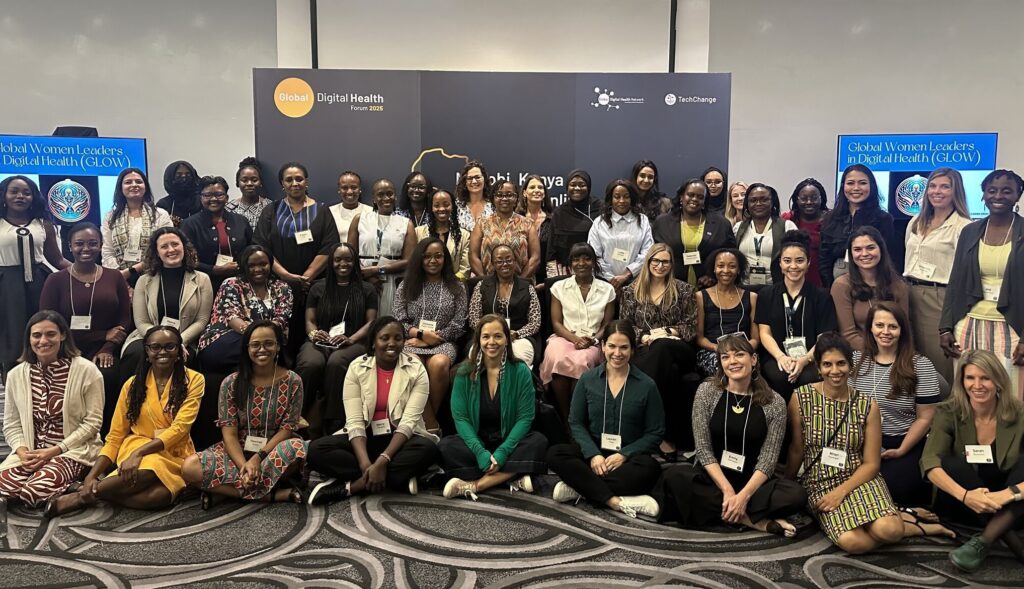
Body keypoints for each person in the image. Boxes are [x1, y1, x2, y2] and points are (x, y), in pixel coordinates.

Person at [785, 332, 953, 553]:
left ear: (851, 365)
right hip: (818, 481)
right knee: (854, 543)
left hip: (859, 477)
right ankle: (906, 518)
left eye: (841, 363)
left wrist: (841, 492)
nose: (835, 371)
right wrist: (787, 487)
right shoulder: (801, 398)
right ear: (818, 367)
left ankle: (907, 524)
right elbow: (796, 449)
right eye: (827, 364)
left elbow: (872, 464)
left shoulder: (867, 405)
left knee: (889, 531)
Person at [655, 334, 805, 536]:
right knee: (674, 477)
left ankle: (725, 510)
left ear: (753, 359)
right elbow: (703, 450)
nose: (732, 361)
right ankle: (750, 520)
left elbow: (768, 460)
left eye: (739, 355)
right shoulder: (707, 391)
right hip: (713, 478)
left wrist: (743, 496)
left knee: (796, 495)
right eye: (725, 357)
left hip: (751, 482)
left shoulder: (774, 402)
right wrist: (727, 490)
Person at [45, 326, 205, 515]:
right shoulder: (132, 385)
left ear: (179, 351)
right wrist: (92, 475)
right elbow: (115, 436)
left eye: (170, 346)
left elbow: (180, 428)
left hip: (175, 450)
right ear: (147, 352)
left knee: (159, 497)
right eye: (155, 347)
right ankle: (84, 493)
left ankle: (84, 494)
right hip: (136, 446)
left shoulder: (194, 380)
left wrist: (139, 453)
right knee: (151, 468)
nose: (162, 352)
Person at [305, 317, 440, 504]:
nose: (391, 343)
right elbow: (354, 422)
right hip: (365, 438)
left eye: (398, 338)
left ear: (404, 342)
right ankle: (396, 478)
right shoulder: (357, 367)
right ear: (373, 342)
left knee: (429, 449)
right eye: (384, 338)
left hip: (400, 439)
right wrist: (366, 463)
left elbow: (408, 423)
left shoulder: (416, 369)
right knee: (316, 450)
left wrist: (383, 460)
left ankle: (354, 486)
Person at [546, 320, 664, 518]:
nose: (617, 353)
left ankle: (580, 488)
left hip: (626, 460)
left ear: (632, 350)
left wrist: (624, 454)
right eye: (612, 346)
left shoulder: (647, 385)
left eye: (624, 347)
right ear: (602, 346)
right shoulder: (588, 379)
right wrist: (593, 454)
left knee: (650, 468)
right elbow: (576, 422)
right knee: (555, 454)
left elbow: (655, 432)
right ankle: (615, 501)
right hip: (592, 455)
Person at [920, 350, 1024, 572]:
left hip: (1008, 501)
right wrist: (966, 496)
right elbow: (929, 461)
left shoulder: (1019, 413)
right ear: (962, 381)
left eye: (985, 378)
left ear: (998, 380)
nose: (977, 385)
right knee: (950, 463)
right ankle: (1015, 542)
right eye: (970, 378)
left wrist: (1008, 494)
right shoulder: (948, 412)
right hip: (963, 505)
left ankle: (984, 540)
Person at [182, 321, 307, 506]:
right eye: (255, 345)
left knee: (296, 450)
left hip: (272, 450)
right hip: (237, 452)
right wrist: (244, 466)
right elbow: (229, 434)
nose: (262, 349)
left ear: (278, 346)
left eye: (268, 343)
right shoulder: (231, 383)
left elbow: (287, 429)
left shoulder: (293, 381)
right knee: (189, 468)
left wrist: (257, 458)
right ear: (247, 348)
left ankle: (227, 492)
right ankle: (272, 495)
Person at [0, 312, 103, 516]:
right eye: (36, 335)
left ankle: (76, 481)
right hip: (32, 452)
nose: (43, 341)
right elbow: (11, 423)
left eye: (50, 334)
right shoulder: (15, 375)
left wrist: (55, 451)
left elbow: (93, 423)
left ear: (63, 335)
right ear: (29, 339)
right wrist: (22, 451)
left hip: (72, 450)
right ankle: (65, 484)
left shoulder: (87, 371)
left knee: (32, 493)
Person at [440, 315, 548, 500]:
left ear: (507, 339)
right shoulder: (464, 372)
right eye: (486, 336)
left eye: (498, 336)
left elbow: (525, 417)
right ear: (478, 340)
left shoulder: (520, 371)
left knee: (538, 441)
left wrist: (503, 451)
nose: (492, 342)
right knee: (446, 446)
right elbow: (461, 418)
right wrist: (479, 451)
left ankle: (475, 485)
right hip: (478, 440)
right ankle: (512, 476)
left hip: (509, 440)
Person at [940, 169, 1024, 399]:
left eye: (1006, 191)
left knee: (1011, 395)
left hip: (1012, 326)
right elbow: (955, 281)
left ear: (1018, 195)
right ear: (984, 194)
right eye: (992, 190)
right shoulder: (970, 231)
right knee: (970, 393)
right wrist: (945, 327)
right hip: (968, 322)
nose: (998, 196)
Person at [39, 222, 131, 433]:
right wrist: (102, 334)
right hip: (66, 349)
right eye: (79, 243)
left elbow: (124, 318)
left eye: (92, 243)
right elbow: (47, 323)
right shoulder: (55, 280)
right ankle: (71, 435)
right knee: (70, 381)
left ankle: (107, 435)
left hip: (105, 350)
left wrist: (107, 347)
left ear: (100, 246)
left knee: (106, 377)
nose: (86, 249)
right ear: (70, 247)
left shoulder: (114, 276)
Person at [850, 303, 940, 506]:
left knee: (894, 489)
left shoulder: (921, 365)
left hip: (901, 441)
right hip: (860, 441)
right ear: (870, 328)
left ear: (902, 330)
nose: (885, 332)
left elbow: (926, 418)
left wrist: (902, 450)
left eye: (893, 326)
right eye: (879, 325)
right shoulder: (855, 360)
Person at [619, 244, 698, 457]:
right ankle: (663, 436)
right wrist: (645, 336)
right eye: (656, 260)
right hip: (645, 348)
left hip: (680, 348)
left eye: (665, 261)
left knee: (662, 345)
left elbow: (690, 328)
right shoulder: (630, 291)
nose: (660, 265)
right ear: (648, 262)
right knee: (669, 371)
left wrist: (667, 331)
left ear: (672, 264)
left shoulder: (684, 290)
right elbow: (626, 325)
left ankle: (635, 415)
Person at [254, 162, 339, 356]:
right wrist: (286, 276)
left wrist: (306, 278)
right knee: (281, 334)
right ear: (282, 184)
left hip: (314, 285)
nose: (295, 183)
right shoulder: (271, 210)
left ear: (306, 182)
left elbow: (329, 246)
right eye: (289, 180)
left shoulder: (322, 210)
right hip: (278, 284)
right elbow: (262, 247)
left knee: (313, 335)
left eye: (299, 179)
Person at [296, 242, 378, 434]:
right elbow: (309, 321)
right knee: (310, 363)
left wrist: (351, 339)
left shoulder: (367, 289)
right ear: (331, 262)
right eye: (338, 259)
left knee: (337, 362)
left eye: (348, 259)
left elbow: (371, 322)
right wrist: (314, 334)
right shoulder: (318, 287)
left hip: (354, 341)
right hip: (320, 340)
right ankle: (297, 415)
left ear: (355, 262)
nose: (343, 264)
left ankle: (334, 420)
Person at [903, 168, 972, 384]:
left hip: (938, 296)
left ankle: (945, 403)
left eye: (945, 186)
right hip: (908, 292)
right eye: (932, 186)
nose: (937, 191)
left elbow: (965, 272)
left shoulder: (963, 226)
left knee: (937, 360)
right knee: (908, 356)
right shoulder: (916, 221)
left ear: (956, 191)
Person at [120, 228, 213, 382]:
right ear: (157, 252)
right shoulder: (144, 281)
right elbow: (141, 321)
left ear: (184, 247)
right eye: (164, 246)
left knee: (183, 358)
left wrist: (178, 340)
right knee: (136, 354)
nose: (171, 250)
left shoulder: (202, 279)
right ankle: (134, 397)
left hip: (185, 338)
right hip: (147, 337)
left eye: (175, 244)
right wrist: (159, 341)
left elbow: (201, 320)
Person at [393, 238, 468, 431]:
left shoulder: (457, 286)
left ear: (445, 259)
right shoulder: (406, 285)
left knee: (439, 364)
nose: (432, 261)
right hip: (412, 340)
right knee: (413, 364)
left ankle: (426, 421)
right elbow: (399, 321)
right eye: (427, 256)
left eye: (438, 256)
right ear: (419, 259)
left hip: (445, 341)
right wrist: (420, 335)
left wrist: (431, 340)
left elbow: (459, 324)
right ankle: (431, 425)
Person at [755, 230, 837, 401]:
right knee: (779, 376)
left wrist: (804, 360)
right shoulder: (766, 295)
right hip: (776, 355)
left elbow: (824, 337)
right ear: (780, 263)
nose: (793, 266)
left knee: (808, 377)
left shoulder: (822, 296)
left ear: (808, 263)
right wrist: (781, 357)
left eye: (800, 261)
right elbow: (764, 333)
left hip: (811, 356)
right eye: (787, 261)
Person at [0, 176, 71, 371]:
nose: (20, 196)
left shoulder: (43, 224)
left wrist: (87, 272)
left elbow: (57, 260)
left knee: (43, 330)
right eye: (14, 191)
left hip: (40, 283)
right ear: (4, 195)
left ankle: (47, 377)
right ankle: (12, 381)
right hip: (6, 286)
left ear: (33, 197)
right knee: (11, 337)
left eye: (26, 192)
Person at [540, 243, 616, 423]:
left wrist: (592, 340)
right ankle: (566, 420)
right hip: (564, 337)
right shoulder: (559, 287)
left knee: (582, 362)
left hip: (594, 340)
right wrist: (575, 339)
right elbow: (556, 323)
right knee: (558, 359)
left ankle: (577, 419)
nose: (581, 263)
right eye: (576, 259)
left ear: (594, 262)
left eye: (586, 259)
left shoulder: (607, 289)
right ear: (570, 264)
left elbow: (607, 324)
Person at [197, 245, 292, 373]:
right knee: (260, 350)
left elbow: (281, 319)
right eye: (251, 265)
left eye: (263, 264)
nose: (257, 269)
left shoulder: (282, 288)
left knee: (262, 352)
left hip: (269, 339)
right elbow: (233, 319)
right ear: (244, 266)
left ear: (270, 264)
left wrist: (263, 340)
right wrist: (259, 339)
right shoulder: (231, 284)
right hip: (227, 337)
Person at [831, 226, 910, 350]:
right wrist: (880, 353)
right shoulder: (841, 285)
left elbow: (905, 329)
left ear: (881, 249)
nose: (864, 254)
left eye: (870, 248)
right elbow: (848, 335)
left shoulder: (899, 285)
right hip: (858, 352)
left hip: (895, 351)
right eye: (857, 249)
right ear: (851, 254)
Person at [349, 178, 416, 317]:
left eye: (390, 194)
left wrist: (376, 270)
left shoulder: (406, 223)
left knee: (388, 320)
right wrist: (367, 277)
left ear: (395, 196)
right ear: (373, 198)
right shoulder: (359, 219)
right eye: (380, 194)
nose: (386, 198)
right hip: (362, 279)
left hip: (392, 280)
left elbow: (409, 260)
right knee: (363, 320)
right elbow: (350, 254)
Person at [819, 164, 895, 287]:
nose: (856, 188)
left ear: (871, 186)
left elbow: (890, 257)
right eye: (850, 183)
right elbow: (824, 259)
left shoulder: (883, 219)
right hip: (838, 281)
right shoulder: (830, 218)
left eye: (862, 183)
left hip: (874, 281)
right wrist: (829, 288)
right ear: (843, 186)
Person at [652, 178, 736, 288]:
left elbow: (731, 253)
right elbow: (654, 253)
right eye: (690, 195)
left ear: (705, 201)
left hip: (710, 286)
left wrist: (712, 275)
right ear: (681, 197)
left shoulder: (721, 224)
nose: (695, 199)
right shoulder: (663, 222)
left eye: (700, 197)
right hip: (670, 284)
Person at [468, 244, 542, 366]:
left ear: (515, 262)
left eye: (509, 260)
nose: (505, 264)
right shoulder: (481, 286)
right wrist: (490, 332)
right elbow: (473, 318)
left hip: (518, 338)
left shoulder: (527, 287)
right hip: (488, 336)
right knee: (479, 359)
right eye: (499, 261)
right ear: (493, 264)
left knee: (516, 360)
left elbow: (535, 322)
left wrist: (517, 334)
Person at [100, 168, 173, 285]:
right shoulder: (110, 217)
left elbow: (165, 249)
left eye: (139, 182)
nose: (134, 185)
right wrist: (120, 277)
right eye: (128, 182)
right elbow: (107, 252)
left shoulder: (160, 215)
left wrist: (132, 271)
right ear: (120, 188)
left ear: (145, 187)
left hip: (154, 276)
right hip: (120, 279)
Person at [180, 175, 253, 293]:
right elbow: (185, 258)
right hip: (204, 284)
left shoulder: (241, 221)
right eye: (207, 195)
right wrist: (214, 269)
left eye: (219, 194)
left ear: (227, 198)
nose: (213, 199)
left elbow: (252, 250)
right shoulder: (189, 224)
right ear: (201, 198)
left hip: (241, 282)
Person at [695, 248, 759, 377]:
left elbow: (755, 339)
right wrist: (718, 349)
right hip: (713, 351)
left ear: (739, 269)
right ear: (714, 269)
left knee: (747, 365)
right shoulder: (700, 296)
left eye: (732, 266)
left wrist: (740, 351)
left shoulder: (752, 297)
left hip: (743, 350)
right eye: (720, 266)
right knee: (725, 366)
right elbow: (700, 338)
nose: (726, 270)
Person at [587, 179, 653, 292]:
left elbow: (648, 252)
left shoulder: (642, 220)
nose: (621, 201)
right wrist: (612, 280)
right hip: (604, 284)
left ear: (632, 198)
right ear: (611, 199)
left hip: (636, 283)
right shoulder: (599, 222)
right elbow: (594, 255)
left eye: (626, 196)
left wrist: (627, 275)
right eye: (617, 197)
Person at [469, 179, 540, 279]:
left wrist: (520, 283)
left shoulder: (528, 224)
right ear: (493, 198)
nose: (504, 198)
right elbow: (473, 256)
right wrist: (486, 281)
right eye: (499, 195)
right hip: (487, 283)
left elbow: (535, 258)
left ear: (516, 198)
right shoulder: (482, 223)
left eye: (509, 195)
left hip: (522, 283)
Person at [733, 183, 797, 291]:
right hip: (744, 288)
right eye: (753, 200)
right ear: (747, 204)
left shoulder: (787, 226)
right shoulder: (738, 228)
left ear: (772, 202)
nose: (758, 204)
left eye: (764, 200)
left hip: (776, 289)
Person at [545, 170, 597, 280]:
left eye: (582, 185)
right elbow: (551, 249)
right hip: (565, 273)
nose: (577, 188)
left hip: (595, 272)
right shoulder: (559, 213)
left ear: (588, 187)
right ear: (567, 188)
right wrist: (555, 278)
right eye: (573, 185)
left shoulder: (599, 208)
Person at [782, 178, 829, 288]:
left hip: (823, 278)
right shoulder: (787, 219)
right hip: (792, 276)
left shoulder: (831, 220)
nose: (809, 202)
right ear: (796, 200)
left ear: (821, 199)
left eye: (814, 198)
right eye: (803, 198)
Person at [416, 188, 470, 280]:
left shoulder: (464, 235)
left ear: (452, 206)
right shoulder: (418, 232)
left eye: (446, 205)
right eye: (436, 205)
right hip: (424, 284)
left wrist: (449, 283)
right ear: (431, 208)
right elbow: (415, 264)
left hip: (454, 284)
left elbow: (465, 269)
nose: (441, 209)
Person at [517, 174, 554, 281]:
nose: (537, 190)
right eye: (532, 187)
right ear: (524, 193)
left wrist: (548, 282)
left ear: (544, 194)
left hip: (545, 279)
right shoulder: (516, 219)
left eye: (540, 187)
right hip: (519, 277)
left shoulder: (552, 220)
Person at [225, 156, 272, 229]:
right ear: (237, 183)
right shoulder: (229, 208)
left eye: (254, 180)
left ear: (261, 182)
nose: (249, 184)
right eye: (244, 180)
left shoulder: (270, 207)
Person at [328, 171, 372, 240]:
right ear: (339, 190)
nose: (349, 192)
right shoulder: (329, 212)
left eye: (354, 187)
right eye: (344, 188)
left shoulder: (371, 212)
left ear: (360, 189)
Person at [156, 160, 202, 226]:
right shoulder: (163, 204)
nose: (184, 178)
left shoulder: (202, 201)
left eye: (188, 174)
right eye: (178, 175)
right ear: (170, 179)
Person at [455, 160, 493, 233]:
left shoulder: (494, 205)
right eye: (470, 178)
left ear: (484, 179)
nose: (474, 181)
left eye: (477, 177)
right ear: (465, 182)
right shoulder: (457, 205)